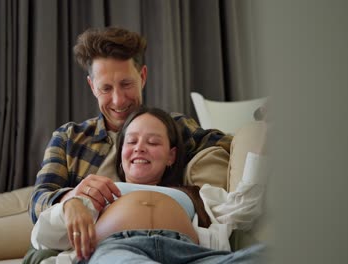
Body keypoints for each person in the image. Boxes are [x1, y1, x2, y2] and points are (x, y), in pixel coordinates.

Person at [25, 27, 232, 263]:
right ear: (92, 86)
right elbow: (38, 201)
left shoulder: (174, 126)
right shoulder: (69, 138)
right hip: (107, 247)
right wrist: (69, 200)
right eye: (106, 88)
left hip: (179, 244)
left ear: (142, 77)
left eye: (126, 84)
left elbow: (229, 144)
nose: (118, 100)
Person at [31, 107, 267, 263]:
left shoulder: (198, 194)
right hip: (119, 249)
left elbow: (244, 209)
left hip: (191, 254)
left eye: (153, 142)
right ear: (121, 154)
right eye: (131, 141)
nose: (140, 147)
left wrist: (266, 135)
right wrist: (69, 205)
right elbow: (42, 238)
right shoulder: (100, 190)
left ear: (171, 156)